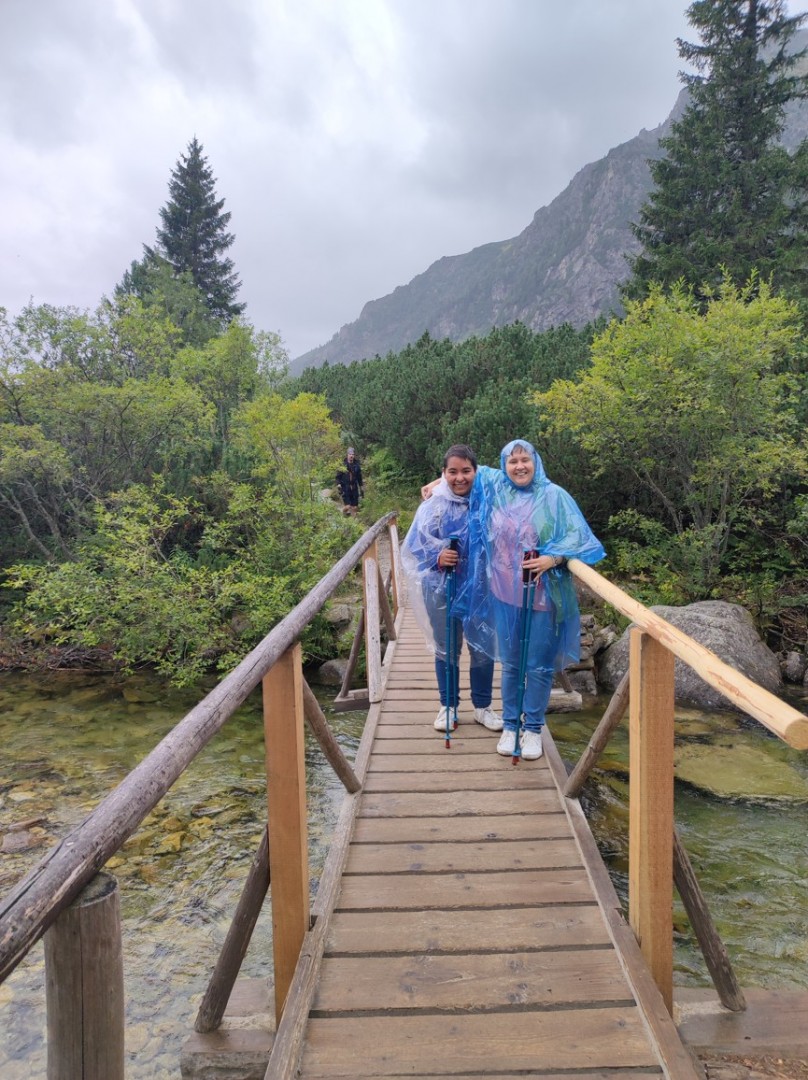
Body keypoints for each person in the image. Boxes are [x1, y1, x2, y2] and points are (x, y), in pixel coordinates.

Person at [427, 439, 605, 760]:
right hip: (504, 595)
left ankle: (532, 728)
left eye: (525, 460)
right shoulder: (497, 489)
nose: (519, 466)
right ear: (504, 466)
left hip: (542, 595)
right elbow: (467, 473)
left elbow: (580, 538)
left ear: (536, 462)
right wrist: (437, 484)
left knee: (537, 665)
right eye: (513, 461)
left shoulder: (554, 496)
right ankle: (511, 725)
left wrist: (553, 558)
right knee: (510, 664)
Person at [402, 445, 503, 733]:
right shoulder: (433, 505)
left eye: (466, 471)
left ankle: (483, 707)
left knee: (483, 647)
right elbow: (415, 544)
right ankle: (449, 706)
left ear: (476, 472)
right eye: (452, 472)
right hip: (441, 588)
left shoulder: (488, 499)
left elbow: (509, 476)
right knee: (446, 648)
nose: (460, 478)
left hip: (482, 589)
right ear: (444, 473)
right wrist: (437, 556)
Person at [339, 448, 364, 516]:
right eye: (350, 454)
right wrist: (338, 485)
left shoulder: (357, 465)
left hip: (354, 487)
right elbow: (338, 476)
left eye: (352, 454)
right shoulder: (343, 465)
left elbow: (359, 477)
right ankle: (343, 512)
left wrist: (361, 487)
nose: (351, 456)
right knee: (348, 506)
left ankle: (353, 521)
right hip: (345, 487)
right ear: (347, 455)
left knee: (355, 507)